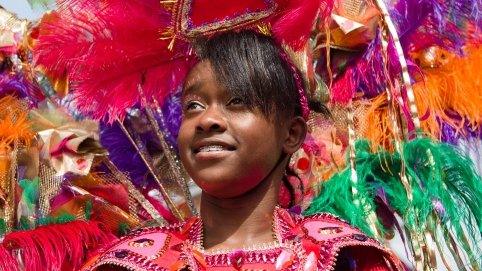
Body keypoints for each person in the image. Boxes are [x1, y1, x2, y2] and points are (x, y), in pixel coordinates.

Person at [81, 31, 403, 271]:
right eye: (192, 106)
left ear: (291, 134)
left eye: (238, 102)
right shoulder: (135, 262)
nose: (206, 119)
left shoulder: (345, 255)